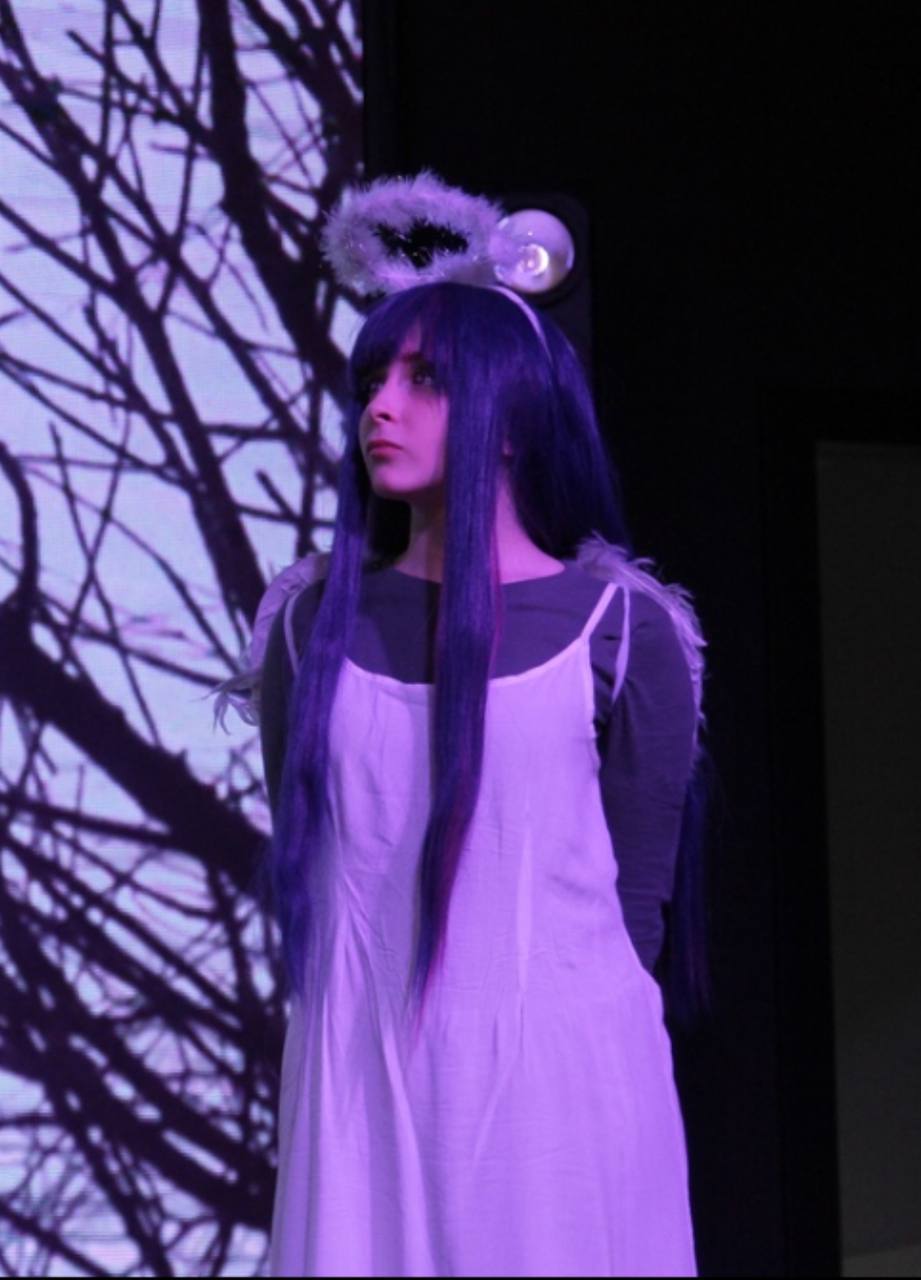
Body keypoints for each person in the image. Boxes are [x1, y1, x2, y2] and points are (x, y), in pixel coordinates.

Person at [213, 175, 708, 1276]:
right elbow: (318, 866)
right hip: (361, 1089)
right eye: (372, 380)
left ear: (512, 415)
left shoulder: (623, 632)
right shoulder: (306, 627)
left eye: (424, 378)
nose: (379, 407)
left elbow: (635, 913)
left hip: (559, 1104)